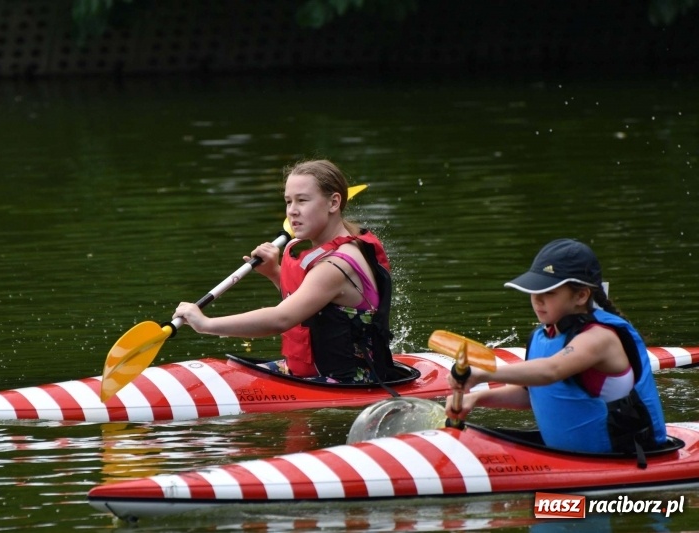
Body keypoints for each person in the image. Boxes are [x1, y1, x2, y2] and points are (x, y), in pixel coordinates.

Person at [173, 159, 395, 384]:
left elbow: (282, 319)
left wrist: (206, 324)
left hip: (348, 381)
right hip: (311, 373)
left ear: (333, 202)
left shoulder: (334, 266)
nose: (292, 211)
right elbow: (316, 306)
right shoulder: (338, 245)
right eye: (288, 202)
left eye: (302, 200)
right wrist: (274, 272)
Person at [445, 238, 667, 456]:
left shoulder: (599, 338)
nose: (537, 299)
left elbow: (551, 371)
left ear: (581, 296)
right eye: (533, 291)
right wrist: (476, 399)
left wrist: (481, 374)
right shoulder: (544, 335)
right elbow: (534, 394)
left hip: (621, 458)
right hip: (571, 456)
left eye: (549, 292)